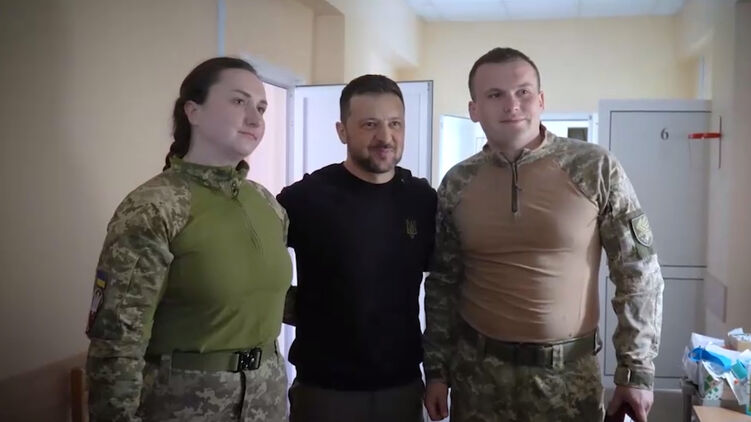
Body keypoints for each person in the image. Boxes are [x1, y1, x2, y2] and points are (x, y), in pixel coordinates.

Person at [422, 47, 664, 422]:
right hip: (479, 379)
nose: (512, 105)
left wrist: (636, 371)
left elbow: (638, 272)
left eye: (523, 92)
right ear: (474, 109)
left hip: (568, 382)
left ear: (541, 100)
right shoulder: (457, 183)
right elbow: (443, 284)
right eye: (495, 95)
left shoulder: (594, 168)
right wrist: (437, 370)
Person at [84, 57, 291, 422]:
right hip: (184, 406)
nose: (255, 119)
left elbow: (262, 301)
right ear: (193, 111)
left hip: (268, 403)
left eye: (261, 108)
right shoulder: (155, 207)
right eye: (238, 101)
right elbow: (118, 339)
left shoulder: (267, 205)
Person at [278, 74, 437, 422]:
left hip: (402, 386)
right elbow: (253, 265)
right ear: (342, 131)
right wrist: (301, 308)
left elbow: (445, 286)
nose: (385, 137)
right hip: (324, 390)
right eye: (370, 124)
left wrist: (437, 372)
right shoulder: (305, 198)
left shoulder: (422, 199)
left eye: (395, 124)